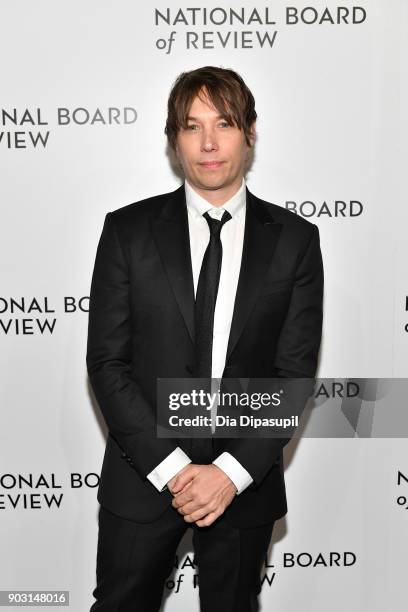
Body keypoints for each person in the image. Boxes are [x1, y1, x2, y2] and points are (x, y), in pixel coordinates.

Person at [86, 65, 324, 612]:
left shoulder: (295, 241)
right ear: (174, 139)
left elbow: (293, 377)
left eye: (224, 123)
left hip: (244, 482)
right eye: (191, 127)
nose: (209, 143)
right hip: (143, 476)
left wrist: (228, 475)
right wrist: (174, 471)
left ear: (251, 130)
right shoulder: (126, 231)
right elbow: (107, 364)